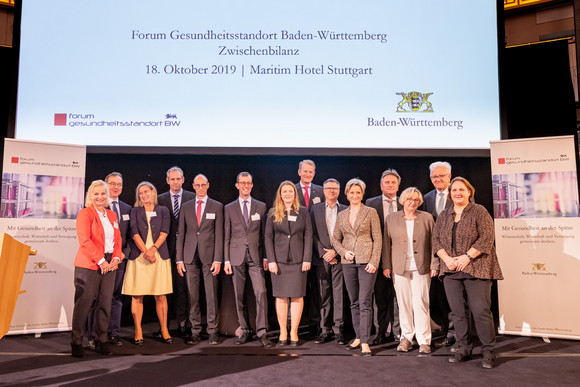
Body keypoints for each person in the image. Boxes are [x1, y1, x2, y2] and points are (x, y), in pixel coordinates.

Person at [432, 177, 503, 369]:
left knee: (481, 311)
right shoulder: (445, 214)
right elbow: (436, 240)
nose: (457, 193)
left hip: (477, 267)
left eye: (461, 189)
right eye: (454, 190)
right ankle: (463, 347)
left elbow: (487, 237)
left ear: (469, 192)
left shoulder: (479, 211)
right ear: (450, 193)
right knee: (458, 313)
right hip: (451, 269)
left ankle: (488, 350)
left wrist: (467, 257)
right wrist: (447, 260)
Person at [383, 187, 438, 355]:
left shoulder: (427, 218)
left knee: (421, 303)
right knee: (403, 304)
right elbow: (386, 244)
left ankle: (424, 340)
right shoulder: (391, 219)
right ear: (403, 201)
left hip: (422, 267)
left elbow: (434, 243)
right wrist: (386, 265)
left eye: (416, 200)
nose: (412, 202)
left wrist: (435, 264)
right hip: (399, 268)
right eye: (409, 199)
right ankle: (406, 338)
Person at [71, 180, 122, 358]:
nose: (100, 197)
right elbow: (85, 241)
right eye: (96, 194)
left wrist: (116, 258)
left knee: (105, 304)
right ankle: (77, 342)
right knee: (83, 305)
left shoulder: (112, 215)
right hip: (90, 264)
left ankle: (102, 340)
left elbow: (118, 240)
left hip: (110, 264)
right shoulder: (85, 213)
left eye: (103, 193)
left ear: (107, 196)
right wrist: (101, 261)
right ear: (90, 196)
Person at [224, 172, 273, 348]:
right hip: (235, 256)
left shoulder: (261, 206)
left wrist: (267, 256)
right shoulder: (229, 208)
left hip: (256, 256)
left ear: (252, 185)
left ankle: (262, 331)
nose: (245, 186)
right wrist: (226, 261)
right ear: (237, 185)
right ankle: (244, 329)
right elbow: (226, 236)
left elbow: (265, 235)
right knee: (238, 295)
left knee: (260, 292)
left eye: (248, 183)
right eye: (242, 183)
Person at [332, 178, 382, 356]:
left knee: (365, 301)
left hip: (366, 263)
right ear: (346, 194)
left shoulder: (370, 212)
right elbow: (335, 239)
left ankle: (366, 341)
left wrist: (374, 262)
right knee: (353, 302)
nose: (355, 195)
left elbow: (378, 239)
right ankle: (358, 337)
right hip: (348, 263)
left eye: (358, 192)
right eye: (351, 192)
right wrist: (343, 252)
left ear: (362, 194)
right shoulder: (341, 215)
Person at [122, 181, 173, 345]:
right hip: (139, 257)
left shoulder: (163, 210)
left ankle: (164, 330)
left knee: (161, 295)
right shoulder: (135, 211)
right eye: (140, 193)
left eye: (146, 192)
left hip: (159, 256)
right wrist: (146, 252)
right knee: (137, 296)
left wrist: (153, 250)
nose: (143, 195)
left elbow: (165, 231)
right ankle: (138, 331)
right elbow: (134, 233)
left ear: (153, 192)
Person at [176, 174, 224, 345]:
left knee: (211, 295)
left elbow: (219, 235)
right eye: (198, 185)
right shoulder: (186, 206)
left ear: (208, 185)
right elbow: (181, 233)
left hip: (210, 257)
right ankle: (195, 329)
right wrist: (179, 259)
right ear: (193, 186)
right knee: (192, 296)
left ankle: (212, 330)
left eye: (204, 185)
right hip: (189, 257)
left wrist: (218, 259)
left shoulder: (217, 206)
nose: (201, 188)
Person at [87, 172, 132, 348]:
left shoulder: (128, 209)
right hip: (98, 260)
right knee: (97, 298)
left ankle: (113, 333)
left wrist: (120, 256)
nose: (115, 187)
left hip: (118, 261)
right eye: (112, 184)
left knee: (116, 298)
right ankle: (93, 335)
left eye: (119, 184)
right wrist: (102, 259)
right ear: (105, 186)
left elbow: (128, 236)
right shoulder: (95, 209)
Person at [265, 181, 312, 346]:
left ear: (294, 194)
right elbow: (268, 237)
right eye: (284, 191)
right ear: (280, 194)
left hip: (299, 262)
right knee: (281, 297)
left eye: (290, 191)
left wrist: (307, 258)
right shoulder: (273, 212)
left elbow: (308, 235)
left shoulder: (304, 212)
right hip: (279, 261)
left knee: (298, 296)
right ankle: (283, 332)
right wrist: (271, 260)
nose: (287, 194)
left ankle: (294, 332)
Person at [365, 169, 402, 345]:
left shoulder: (406, 202)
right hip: (377, 258)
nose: (390, 185)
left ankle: (398, 333)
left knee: (398, 298)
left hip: (401, 257)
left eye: (393, 182)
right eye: (387, 182)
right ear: (381, 186)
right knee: (379, 298)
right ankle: (379, 332)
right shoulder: (370, 203)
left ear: (398, 185)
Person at [157, 166, 196, 337]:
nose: (175, 182)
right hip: (164, 249)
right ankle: (164, 325)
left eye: (178, 178)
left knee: (183, 288)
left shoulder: (192, 197)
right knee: (163, 288)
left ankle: (183, 323)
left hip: (186, 249)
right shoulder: (159, 199)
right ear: (167, 181)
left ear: (183, 180)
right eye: (172, 179)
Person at [422, 161, 456, 349]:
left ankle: (455, 333)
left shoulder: (459, 194)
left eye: (442, 176)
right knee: (439, 296)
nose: (438, 179)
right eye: (435, 176)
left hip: (454, 256)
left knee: (454, 297)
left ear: (449, 176)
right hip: (434, 256)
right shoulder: (426, 198)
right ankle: (444, 329)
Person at [310, 178, 347, 345]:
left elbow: (348, 236)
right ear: (323, 191)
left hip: (339, 259)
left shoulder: (346, 210)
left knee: (339, 296)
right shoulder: (315, 209)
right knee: (323, 296)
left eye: (335, 188)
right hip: (322, 259)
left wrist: (336, 253)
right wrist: (323, 253)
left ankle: (339, 330)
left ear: (339, 191)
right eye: (328, 188)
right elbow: (312, 234)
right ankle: (325, 329)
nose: (332, 191)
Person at [295, 159, 325, 335]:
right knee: (297, 287)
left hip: (317, 245)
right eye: (305, 171)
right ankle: (297, 324)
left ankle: (316, 323)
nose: (307, 174)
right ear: (299, 172)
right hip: (297, 245)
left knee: (317, 287)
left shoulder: (321, 191)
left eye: (310, 172)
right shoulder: (291, 190)